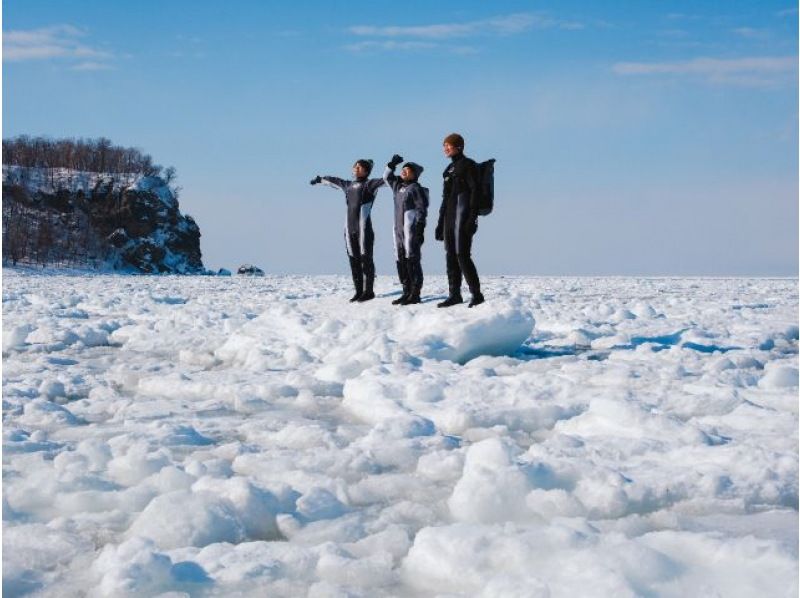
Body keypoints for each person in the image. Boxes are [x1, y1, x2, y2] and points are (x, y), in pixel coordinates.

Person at [310, 159, 385, 301]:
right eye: (355, 166)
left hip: (364, 230)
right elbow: (334, 181)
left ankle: (368, 291)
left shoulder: (370, 185)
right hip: (349, 229)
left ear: (366, 170)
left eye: (360, 167)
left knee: (366, 259)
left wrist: (400, 177)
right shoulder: (348, 185)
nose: (356, 169)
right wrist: (320, 180)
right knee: (353, 260)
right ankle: (358, 291)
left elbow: (387, 180)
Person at [435, 133, 485, 308]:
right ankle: (454, 294)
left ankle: (476, 294)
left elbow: (475, 192)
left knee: (462, 255)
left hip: (464, 216)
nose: (445, 148)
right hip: (449, 216)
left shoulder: (468, 165)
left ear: (459, 147)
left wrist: (472, 217)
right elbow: (445, 198)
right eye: (444, 145)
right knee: (450, 255)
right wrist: (440, 223)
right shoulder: (448, 170)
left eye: (448, 145)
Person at [383, 154, 428, 305]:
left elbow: (422, 208)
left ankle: (415, 293)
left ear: (415, 174)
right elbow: (386, 177)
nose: (404, 171)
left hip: (411, 230)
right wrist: (392, 165)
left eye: (408, 170)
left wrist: (420, 228)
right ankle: (406, 291)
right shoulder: (397, 186)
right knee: (400, 258)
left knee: (412, 259)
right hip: (398, 230)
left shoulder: (416, 188)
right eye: (403, 169)